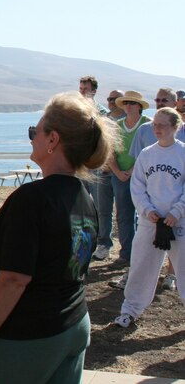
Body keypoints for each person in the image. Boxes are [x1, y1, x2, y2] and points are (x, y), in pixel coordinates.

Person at [0, 92, 119, 383]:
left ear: (53, 140)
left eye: (34, 132)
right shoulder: (83, 196)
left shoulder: (32, 199)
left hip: (28, 337)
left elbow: (14, 279)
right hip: (73, 323)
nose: (31, 138)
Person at [114, 108, 185, 328]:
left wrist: (177, 211)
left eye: (163, 125)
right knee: (141, 266)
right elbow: (137, 186)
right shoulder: (147, 154)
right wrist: (147, 210)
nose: (157, 129)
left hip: (178, 221)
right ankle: (130, 309)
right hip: (150, 221)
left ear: (175, 127)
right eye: (155, 124)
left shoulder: (182, 153)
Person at [99, 91, 150, 266]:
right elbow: (110, 152)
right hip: (119, 176)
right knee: (123, 215)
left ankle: (145, 255)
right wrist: (119, 172)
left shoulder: (147, 126)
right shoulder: (117, 126)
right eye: (126, 102)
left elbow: (148, 152)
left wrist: (131, 170)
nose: (128, 106)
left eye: (132, 103)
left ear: (140, 106)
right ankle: (126, 254)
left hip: (143, 177)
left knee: (146, 215)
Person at [91, 89, 125, 260]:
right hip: (103, 171)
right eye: (109, 99)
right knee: (102, 210)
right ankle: (104, 244)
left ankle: (127, 250)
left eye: (115, 99)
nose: (111, 102)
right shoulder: (105, 119)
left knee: (125, 212)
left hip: (121, 172)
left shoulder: (128, 121)